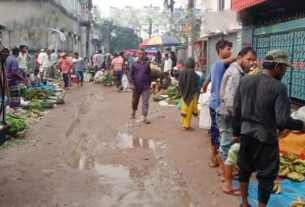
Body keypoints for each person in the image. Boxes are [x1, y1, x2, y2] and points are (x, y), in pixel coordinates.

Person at [233, 49, 305, 207]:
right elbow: (282, 120)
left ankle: (244, 203)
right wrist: (301, 125)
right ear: (277, 66)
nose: (285, 71)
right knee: (266, 177)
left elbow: (236, 109)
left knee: (244, 170)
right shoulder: (279, 87)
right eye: (284, 67)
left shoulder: (245, 81)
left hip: (246, 135)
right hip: (266, 140)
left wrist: (236, 132)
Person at [216, 47, 257, 196]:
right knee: (227, 146)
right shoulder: (235, 73)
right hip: (228, 114)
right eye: (249, 59)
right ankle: (227, 183)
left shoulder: (239, 71)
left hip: (225, 112)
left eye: (253, 60)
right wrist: (238, 122)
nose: (251, 62)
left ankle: (223, 172)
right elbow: (230, 100)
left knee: (225, 144)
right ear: (240, 57)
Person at [202, 40, 236, 169]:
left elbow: (206, 81)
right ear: (220, 50)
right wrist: (241, 58)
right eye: (228, 49)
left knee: (220, 132)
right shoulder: (220, 63)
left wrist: (204, 89)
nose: (230, 51)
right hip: (218, 105)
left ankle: (219, 159)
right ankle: (214, 159)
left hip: (214, 103)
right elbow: (229, 60)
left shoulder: (214, 66)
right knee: (219, 133)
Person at [128, 49, 151, 124]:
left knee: (145, 101)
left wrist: (150, 85)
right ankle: (133, 111)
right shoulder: (134, 64)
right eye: (140, 54)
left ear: (145, 55)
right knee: (135, 101)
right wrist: (131, 84)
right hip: (136, 86)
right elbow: (130, 75)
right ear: (137, 55)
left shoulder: (147, 64)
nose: (141, 55)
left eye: (143, 54)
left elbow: (149, 75)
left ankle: (144, 116)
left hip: (146, 86)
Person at [179, 57, 200, 131]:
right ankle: (186, 125)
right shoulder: (192, 72)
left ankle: (183, 122)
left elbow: (180, 82)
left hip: (184, 93)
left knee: (184, 109)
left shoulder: (182, 71)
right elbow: (197, 79)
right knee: (189, 110)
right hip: (191, 93)